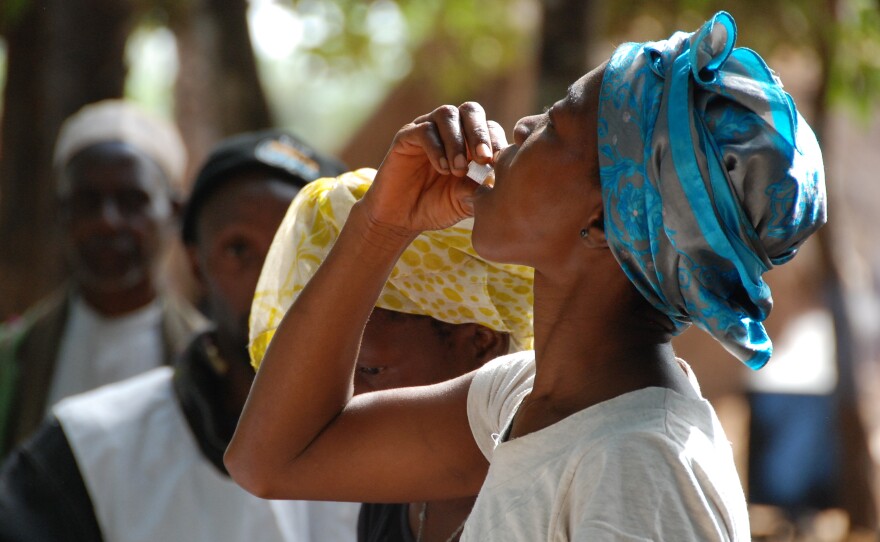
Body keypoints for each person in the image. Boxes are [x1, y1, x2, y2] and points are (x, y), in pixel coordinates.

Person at [227, 12, 827, 541]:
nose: (520, 128)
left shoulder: (642, 464)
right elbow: (271, 460)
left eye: (556, 125)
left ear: (602, 215)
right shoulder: (519, 396)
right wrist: (382, 223)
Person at [0, 130, 359, 542]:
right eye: (239, 249)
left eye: (302, 247)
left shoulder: (410, 448)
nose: (271, 280)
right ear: (196, 263)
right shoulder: (88, 447)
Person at [245, 170, 534, 542]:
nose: (343, 395)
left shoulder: (534, 473)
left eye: (370, 368)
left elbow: (260, 463)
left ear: (481, 342)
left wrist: (379, 227)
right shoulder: (391, 491)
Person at [0, 100, 207, 457]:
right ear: (61, 213)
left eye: (131, 201)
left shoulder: (210, 363)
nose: (107, 222)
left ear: (173, 213)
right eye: (87, 201)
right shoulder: (14, 357)